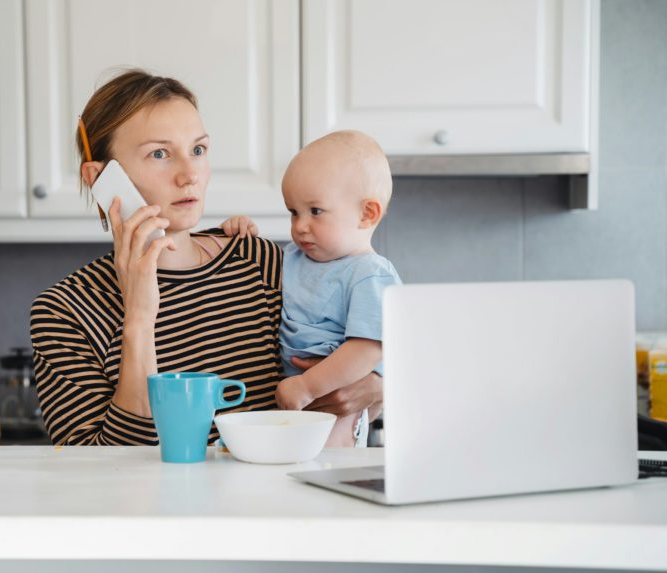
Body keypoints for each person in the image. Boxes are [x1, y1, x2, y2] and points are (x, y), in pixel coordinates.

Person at [30, 69, 383, 445]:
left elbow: (357, 348)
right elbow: (102, 471)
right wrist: (139, 319)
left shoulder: (260, 263)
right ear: (99, 178)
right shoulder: (63, 312)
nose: (189, 175)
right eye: (160, 154)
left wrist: (378, 388)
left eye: (198, 150)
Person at [224, 130, 401, 447]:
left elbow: (367, 348)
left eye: (315, 211)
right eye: (294, 212)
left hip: (334, 396)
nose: (300, 225)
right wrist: (241, 231)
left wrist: (308, 386)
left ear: (367, 213)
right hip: (295, 395)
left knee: (327, 461)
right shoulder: (296, 256)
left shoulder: (370, 274)